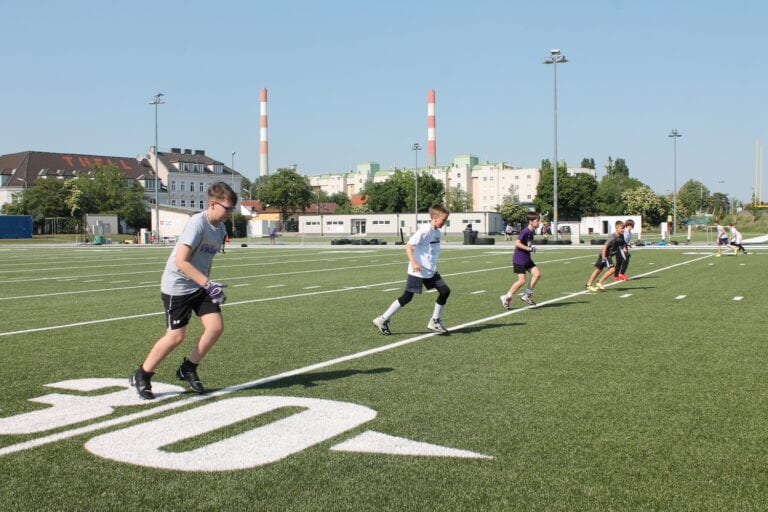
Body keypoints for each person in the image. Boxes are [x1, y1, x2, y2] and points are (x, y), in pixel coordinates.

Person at [129, 182, 237, 399]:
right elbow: (181, 261)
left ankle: (188, 368)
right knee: (176, 337)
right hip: (177, 286)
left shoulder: (221, 228)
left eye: (232, 209)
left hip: (199, 285)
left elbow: (207, 259)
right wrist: (207, 284)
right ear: (213, 204)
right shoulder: (197, 224)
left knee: (215, 328)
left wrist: (209, 285)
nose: (230, 213)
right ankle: (143, 374)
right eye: (227, 208)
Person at [373, 204, 451, 336]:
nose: (445, 222)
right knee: (407, 297)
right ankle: (382, 319)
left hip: (430, 270)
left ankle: (434, 321)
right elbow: (409, 246)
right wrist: (414, 263)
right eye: (444, 220)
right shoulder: (424, 230)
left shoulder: (436, 232)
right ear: (435, 218)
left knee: (445, 291)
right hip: (418, 270)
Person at [500, 211, 541, 309]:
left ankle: (527, 294)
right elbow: (517, 243)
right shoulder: (525, 231)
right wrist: (529, 248)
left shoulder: (531, 232)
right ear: (531, 221)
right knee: (522, 281)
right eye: (537, 221)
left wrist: (531, 247)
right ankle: (507, 296)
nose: (539, 223)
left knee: (537, 274)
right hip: (519, 259)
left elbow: (528, 244)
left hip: (526, 258)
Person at [585, 220, 625, 292]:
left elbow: (623, 244)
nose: (623, 230)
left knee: (599, 270)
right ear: (616, 228)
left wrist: (624, 249)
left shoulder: (621, 236)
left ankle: (593, 284)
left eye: (623, 228)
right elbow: (605, 247)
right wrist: (603, 257)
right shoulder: (613, 237)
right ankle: (595, 283)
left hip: (609, 255)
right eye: (622, 228)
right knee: (611, 269)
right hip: (605, 255)